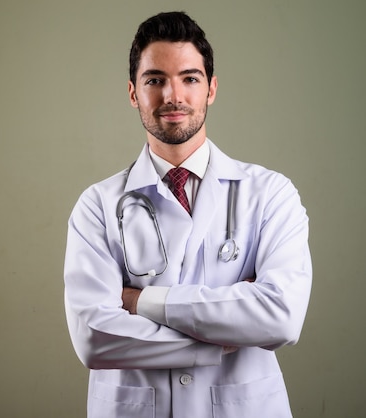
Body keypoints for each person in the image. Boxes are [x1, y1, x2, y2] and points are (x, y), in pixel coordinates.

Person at [63, 11, 312, 418]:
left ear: (211, 89)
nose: (172, 96)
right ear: (133, 93)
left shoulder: (270, 194)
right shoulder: (98, 205)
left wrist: (142, 302)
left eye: (190, 78)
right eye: (155, 80)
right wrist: (223, 336)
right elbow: (94, 338)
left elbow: (280, 317)